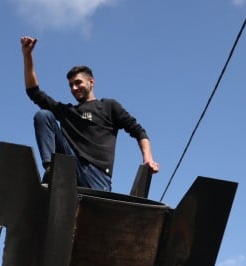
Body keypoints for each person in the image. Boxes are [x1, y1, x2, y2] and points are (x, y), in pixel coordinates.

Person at [20, 35, 159, 191]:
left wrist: (148, 158)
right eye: (71, 85)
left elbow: (139, 131)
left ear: (91, 82)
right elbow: (34, 92)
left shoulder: (108, 106)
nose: (74, 88)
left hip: (97, 175)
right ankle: (51, 170)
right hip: (70, 165)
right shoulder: (68, 111)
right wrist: (27, 56)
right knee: (43, 115)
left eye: (78, 82)